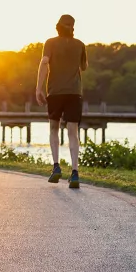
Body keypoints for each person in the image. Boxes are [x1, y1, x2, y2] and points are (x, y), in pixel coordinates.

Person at [36, 14, 87, 189]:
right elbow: (83, 67)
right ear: (73, 27)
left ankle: (56, 166)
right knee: (73, 131)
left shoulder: (50, 43)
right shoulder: (80, 45)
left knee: (54, 128)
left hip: (55, 92)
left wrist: (38, 88)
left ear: (57, 26)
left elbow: (44, 63)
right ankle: (74, 172)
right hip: (74, 93)